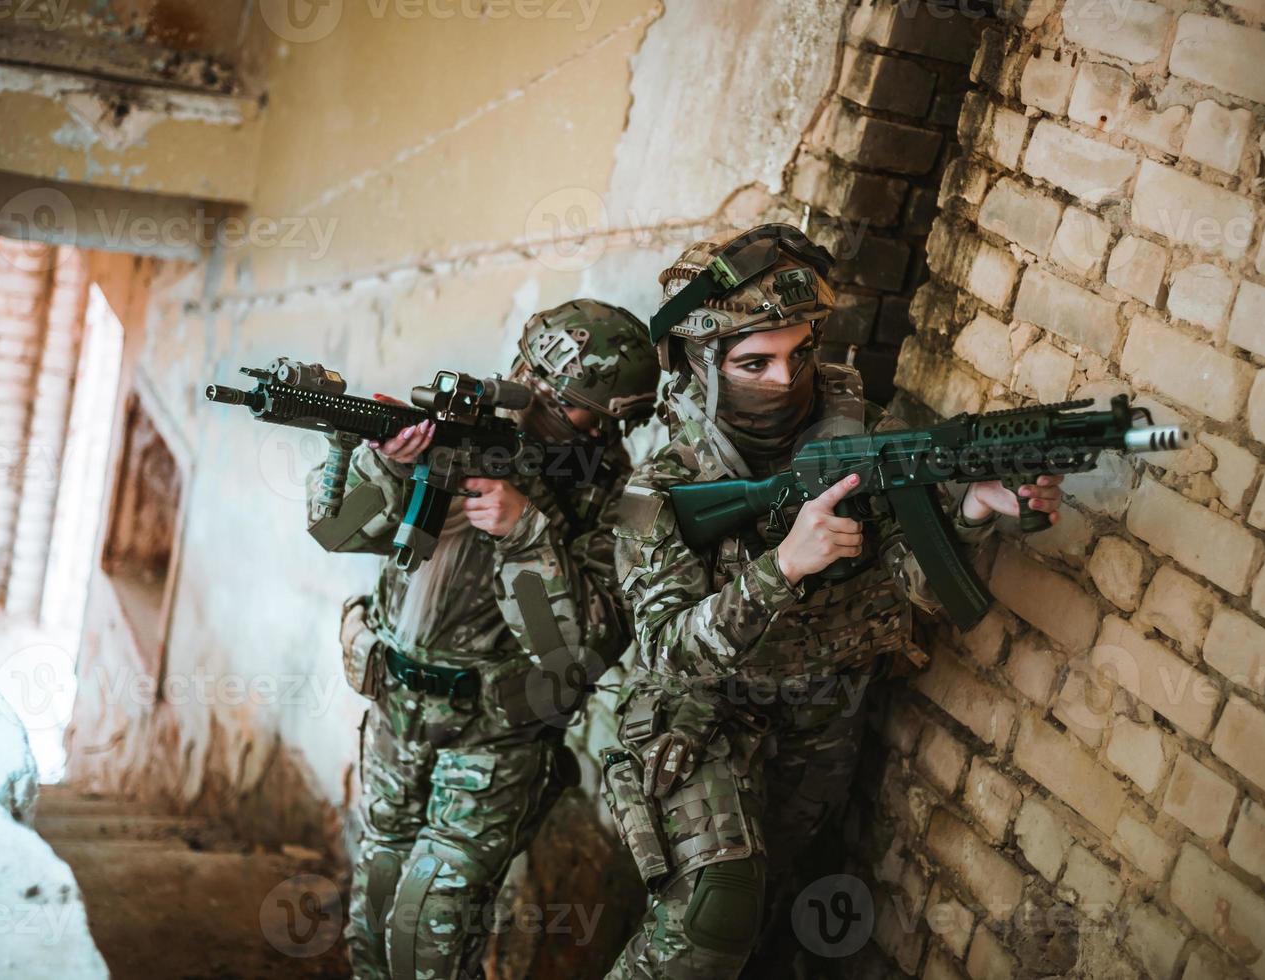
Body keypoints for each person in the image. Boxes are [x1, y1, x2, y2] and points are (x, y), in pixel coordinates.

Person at [601, 225, 1063, 978]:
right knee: (706, 926)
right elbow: (664, 651)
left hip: (820, 725)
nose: (783, 381)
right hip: (703, 722)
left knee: (763, 911)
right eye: (754, 363)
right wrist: (779, 567)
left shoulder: (861, 436)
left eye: (798, 354)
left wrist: (973, 513)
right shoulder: (664, 485)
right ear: (702, 366)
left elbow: (903, 597)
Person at [308, 299, 660, 980]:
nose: (548, 412)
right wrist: (382, 464)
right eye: (530, 381)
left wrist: (525, 529)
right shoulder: (458, 434)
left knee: (427, 938)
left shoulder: (620, 496)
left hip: (493, 735)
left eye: (582, 410)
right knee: (373, 920)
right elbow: (338, 532)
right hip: (397, 718)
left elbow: (569, 646)